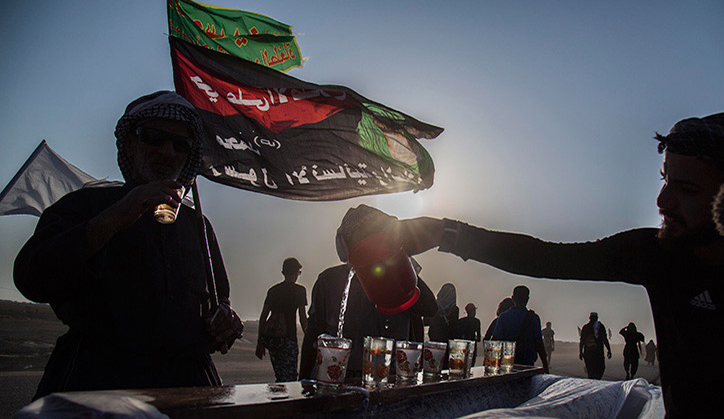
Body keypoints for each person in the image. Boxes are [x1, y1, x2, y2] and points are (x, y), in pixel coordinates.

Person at [340, 112, 724, 417]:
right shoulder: (656, 255)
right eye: (664, 181)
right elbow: (546, 256)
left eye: (686, 189)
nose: (663, 202)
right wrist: (442, 232)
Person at [13, 91, 243, 399]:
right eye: (153, 137)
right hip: (97, 382)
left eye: (180, 145)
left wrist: (226, 320)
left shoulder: (197, 224)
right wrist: (117, 216)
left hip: (187, 385)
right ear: (130, 143)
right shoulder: (87, 205)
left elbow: (219, 301)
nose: (167, 152)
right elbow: (32, 277)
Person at [299, 263, 437, 379]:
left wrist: (401, 264)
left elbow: (430, 308)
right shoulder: (330, 279)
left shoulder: (399, 278)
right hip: (337, 376)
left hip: (386, 378)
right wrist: (303, 381)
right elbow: (314, 333)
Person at [256, 257, 308, 382]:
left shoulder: (273, 291)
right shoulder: (299, 291)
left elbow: (263, 317)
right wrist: (308, 337)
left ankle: (277, 398)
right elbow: (302, 317)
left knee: (279, 376)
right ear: (296, 272)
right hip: (289, 339)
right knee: (290, 378)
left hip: (273, 340)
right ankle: (286, 400)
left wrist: (260, 342)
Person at [491, 286, 549, 373]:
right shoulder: (533, 318)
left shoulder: (503, 317)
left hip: (507, 363)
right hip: (527, 363)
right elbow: (539, 343)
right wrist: (545, 366)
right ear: (527, 299)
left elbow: (495, 341)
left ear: (513, 298)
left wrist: (492, 365)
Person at [579, 312, 612, 379]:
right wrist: (609, 350)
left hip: (589, 352)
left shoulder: (586, 327)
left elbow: (582, 341)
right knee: (599, 370)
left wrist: (580, 352)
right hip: (597, 353)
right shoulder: (600, 327)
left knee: (591, 371)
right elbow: (604, 339)